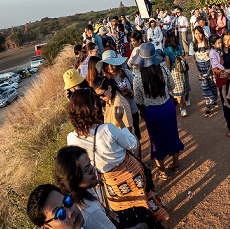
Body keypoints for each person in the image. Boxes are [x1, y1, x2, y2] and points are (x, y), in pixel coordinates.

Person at [65, 88, 168, 222]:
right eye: (94, 103)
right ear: (91, 109)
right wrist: (120, 122)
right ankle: (154, 219)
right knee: (144, 200)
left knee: (125, 208)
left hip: (109, 181)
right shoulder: (107, 129)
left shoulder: (71, 138)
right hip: (131, 173)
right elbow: (132, 144)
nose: (97, 105)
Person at [53, 146, 159, 229]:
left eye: (90, 164)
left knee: (142, 212)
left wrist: (105, 210)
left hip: (106, 218)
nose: (93, 169)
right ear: (73, 179)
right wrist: (138, 227)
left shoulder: (80, 189)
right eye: (87, 169)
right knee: (146, 218)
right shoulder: (91, 213)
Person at [132, 42, 184, 181]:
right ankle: (176, 165)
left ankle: (163, 172)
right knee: (173, 136)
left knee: (156, 141)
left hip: (152, 113)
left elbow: (138, 100)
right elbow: (172, 86)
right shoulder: (164, 71)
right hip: (168, 107)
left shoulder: (137, 79)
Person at [189, 26, 220, 116]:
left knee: (213, 84)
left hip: (210, 65)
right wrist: (197, 71)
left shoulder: (208, 42)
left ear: (202, 33)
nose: (198, 35)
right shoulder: (192, 45)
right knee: (204, 87)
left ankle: (213, 100)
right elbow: (193, 59)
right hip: (200, 67)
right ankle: (208, 106)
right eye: (196, 34)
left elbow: (214, 54)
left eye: (199, 33)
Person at [163, 32, 191, 117]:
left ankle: (182, 109)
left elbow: (168, 62)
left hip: (175, 71)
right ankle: (187, 100)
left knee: (178, 90)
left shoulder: (166, 50)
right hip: (183, 69)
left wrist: (167, 73)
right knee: (185, 84)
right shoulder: (179, 47)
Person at [208, 34, 230, 108]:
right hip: (218, 70)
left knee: (225, 85)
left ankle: (227, 98)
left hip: (220, 68)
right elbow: (216, 64)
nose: (220, 44)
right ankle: (227, 98)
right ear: (213, 44)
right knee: (225, 84)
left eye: (220, 42)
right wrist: (225, 70)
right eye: (218, 43)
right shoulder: (212, 53)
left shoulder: (217, 49)